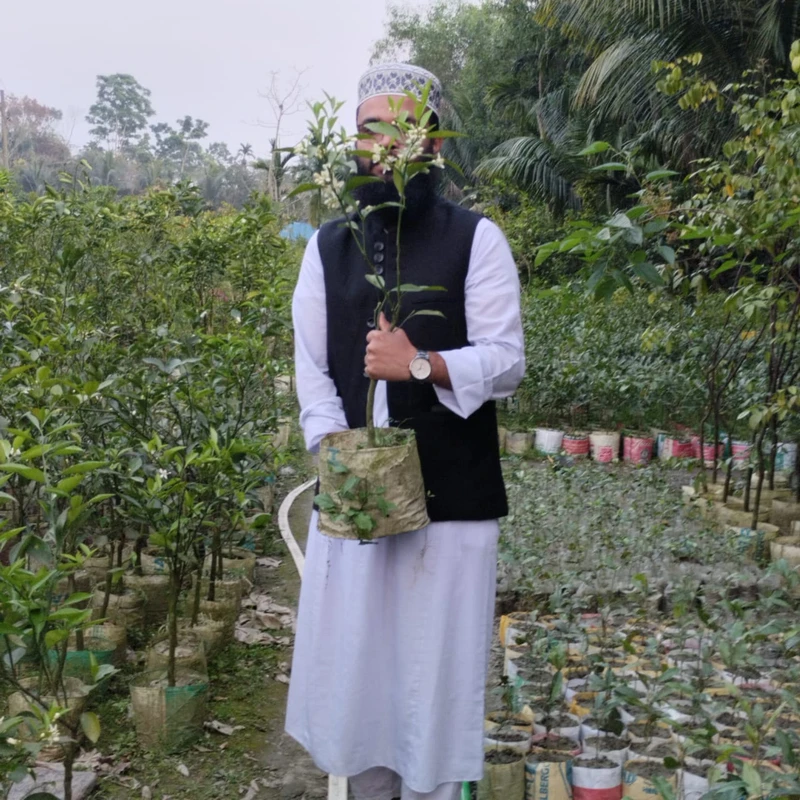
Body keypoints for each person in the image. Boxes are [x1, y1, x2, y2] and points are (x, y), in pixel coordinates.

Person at [285, 63, 525, 800]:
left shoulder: (475, 239)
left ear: (431, 138)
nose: (382, 145)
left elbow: (505, 361)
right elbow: (312, 372)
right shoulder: (328, 246)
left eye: (399, 127)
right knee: (363, 686)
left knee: (431, 679)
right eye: (368, 130)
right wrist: (335, 454)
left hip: (451, 508)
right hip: (357, 505)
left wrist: (418, 366)